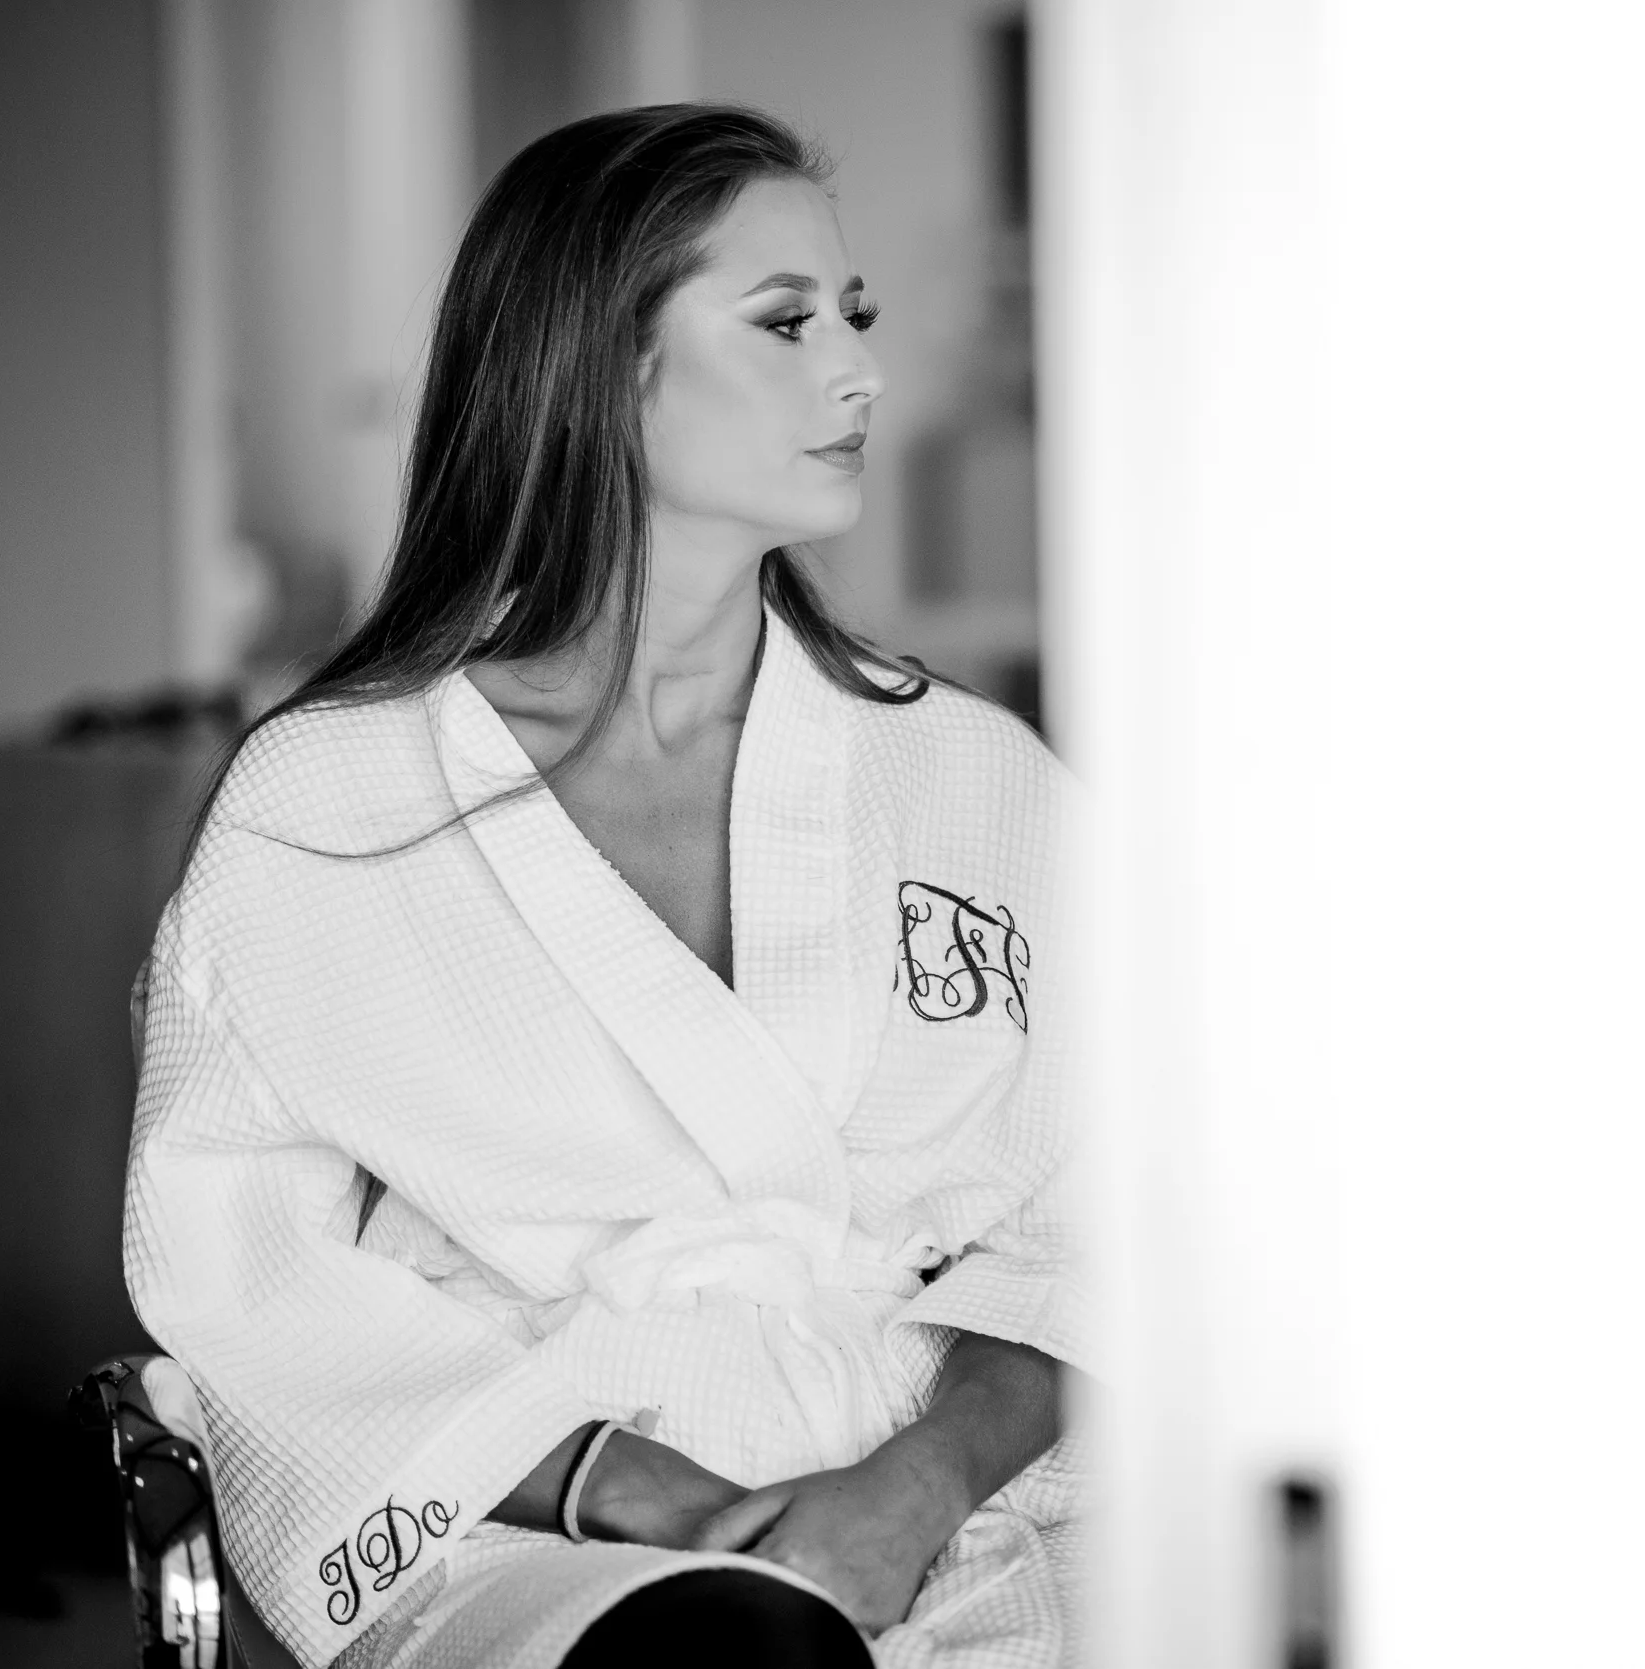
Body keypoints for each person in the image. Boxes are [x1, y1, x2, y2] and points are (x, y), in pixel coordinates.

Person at [122, 105, 1083, 1669]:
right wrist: (644, 1492)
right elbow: (250, 1278)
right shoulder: (328, 801)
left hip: (950, 1491)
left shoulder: (972, 780)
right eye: (786, 323)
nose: (861, 373)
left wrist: (914, 1489)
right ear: (603, 367)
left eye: (855, 317)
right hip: (528, 1521)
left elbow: (1105, 1214)